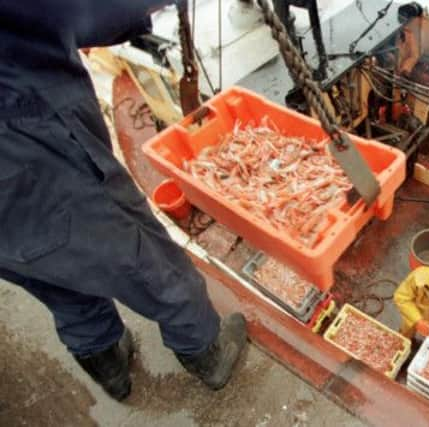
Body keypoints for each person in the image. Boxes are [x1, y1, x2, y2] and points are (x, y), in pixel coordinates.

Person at [0, 1, 246, 401]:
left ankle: (108, 365)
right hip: (30, 140)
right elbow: (85, 11)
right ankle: (206, 351)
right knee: (143, 253)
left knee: (43, 265)